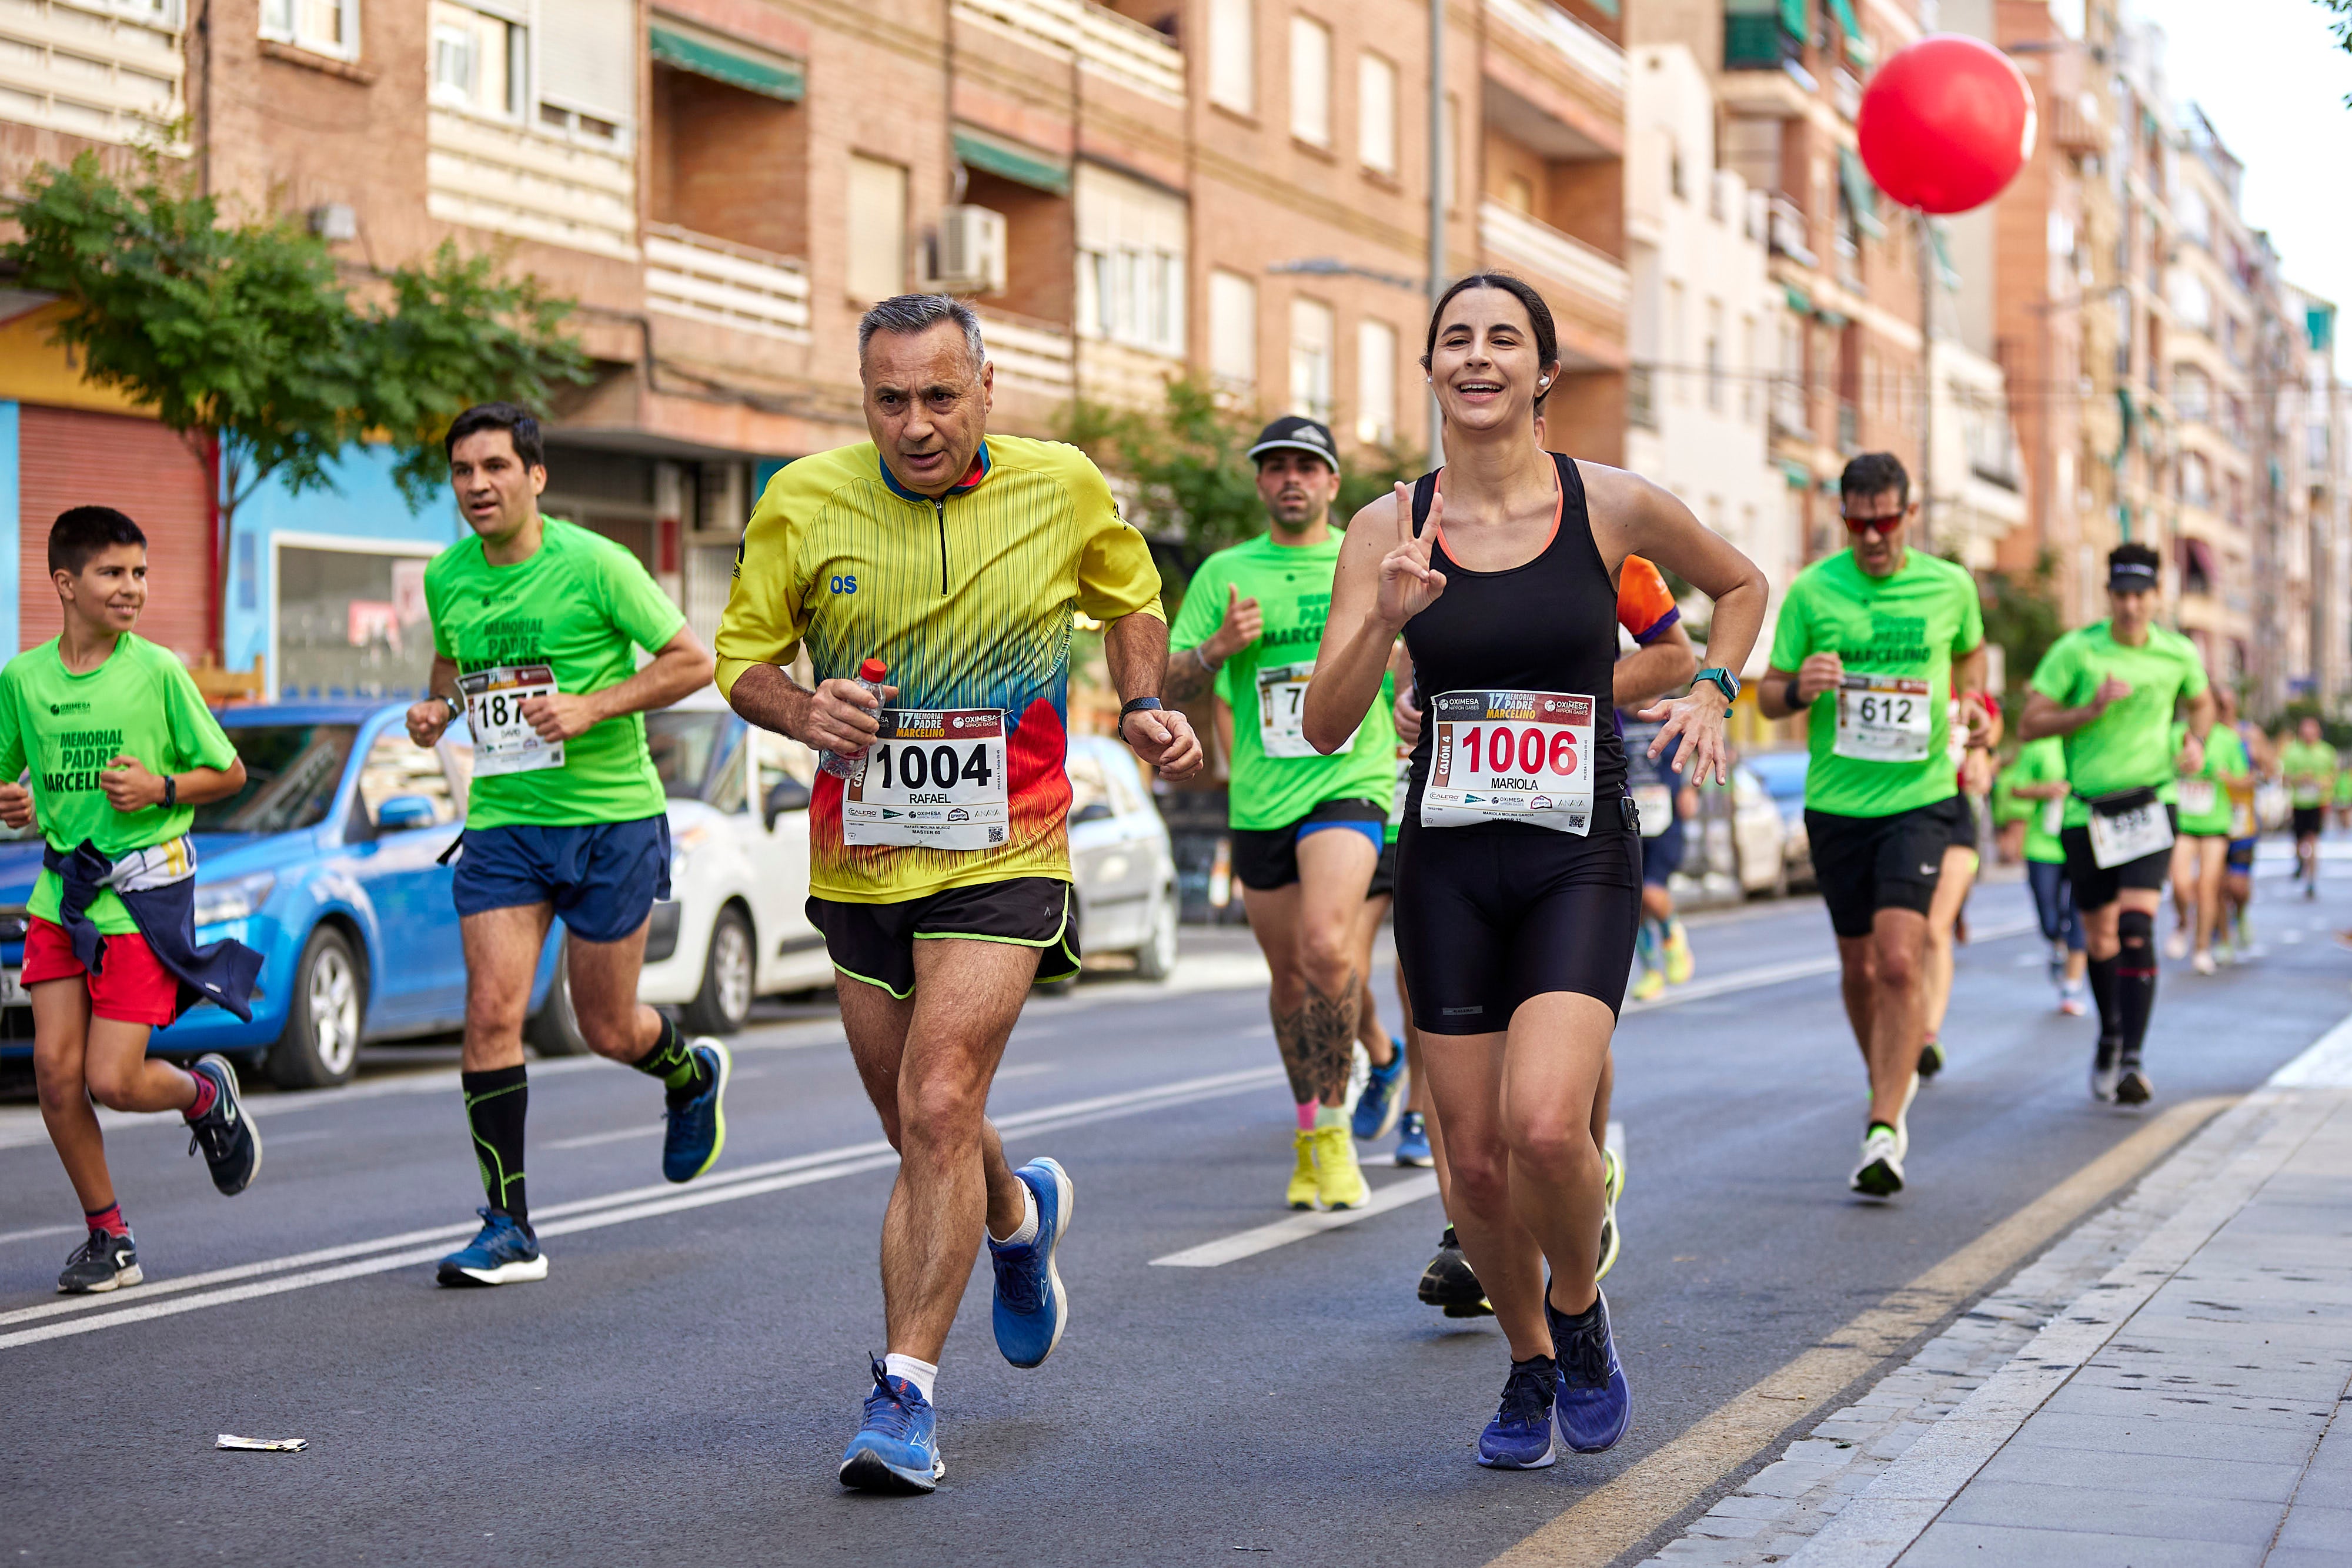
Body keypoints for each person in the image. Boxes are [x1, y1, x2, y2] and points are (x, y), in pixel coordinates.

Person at [716, 295, 1201, 1495]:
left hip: (1009, 844)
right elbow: (740, 658)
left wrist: (1140, 702)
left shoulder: (1062, 485)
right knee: (915, 1120)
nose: (917, 424)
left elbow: (1129, 597)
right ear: (863, 398)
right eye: (891, 400)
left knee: (937, 1098)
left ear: (987, 387)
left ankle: (903, 1396)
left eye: (940, 395)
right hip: (861, 857)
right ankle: (1016, 1215)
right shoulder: (803, 500)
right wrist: (798, 708)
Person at [1305, 272, 1766, 1470]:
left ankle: (1575, 1308)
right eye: (1454, 339)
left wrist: (1714, 689)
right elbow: (1321, 720)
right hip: (1448, 858)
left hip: (1578, 849)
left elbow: (1740, 585)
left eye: (1501, 338)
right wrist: (1381, 619)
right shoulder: (1383, 527)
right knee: (1468, 1156)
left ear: (1540, 373)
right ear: (1429, 370)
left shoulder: (1607, 506)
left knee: (1549, 1125)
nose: (1476, 356)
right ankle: (1523, 1360)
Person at [404, 403, 727, 1290]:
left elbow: (690, 660)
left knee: (606, 1024)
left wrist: (591, 705)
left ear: (535, 476)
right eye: (464, 470)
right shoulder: (448, 577)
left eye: (496, 467)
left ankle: (688, 1071)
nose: (478, 485)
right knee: (491, 1013)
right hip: (506, 821)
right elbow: (450, 668)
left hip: (612, 819)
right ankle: (508, 1224)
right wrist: (436, 711)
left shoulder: (594, 563)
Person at [1394, 554, 1692, 1315]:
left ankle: (1584, 1163)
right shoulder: (1430, 539)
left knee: (1552, 1038)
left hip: (1566, 823)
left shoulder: (1607, 542)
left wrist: (1563, 697)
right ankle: (1469, 1222)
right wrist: (1408, 698)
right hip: (1454, 823)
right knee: (1435, 1026)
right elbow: (1410, 657)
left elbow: (1674, 655)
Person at [0, 507, 263, 1294]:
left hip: (142, 896)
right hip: (61, 894)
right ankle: (109, 1236)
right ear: (66, 584)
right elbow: (10, 770)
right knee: (53, 1072)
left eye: (141, 573)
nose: (133, 588)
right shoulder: (24, 678)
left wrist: (162, 787)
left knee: (113, 1080)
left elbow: (229, 773)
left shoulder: (156, 672)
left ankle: (205, 1093)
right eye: (114, 573)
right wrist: (11, 802)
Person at [1166, 416, 1404, 1209]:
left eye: (1308, 465)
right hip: (1263, 794)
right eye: (1276, 467)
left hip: (1351, 776)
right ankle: (1308, 1125)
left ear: (1334, 482)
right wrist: (1214, 651)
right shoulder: (1226, 573)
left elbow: (1417, 646)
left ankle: (1335, 1133)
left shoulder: (1360, 557)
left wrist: (1411, 699)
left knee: (1329, 948)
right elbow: (1165, 684)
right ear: (1262, 482)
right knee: (1289, 978)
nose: (1291, 478)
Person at [1756, 453, 1989, 1198]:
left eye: (1885, 521)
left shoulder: (1949, 586)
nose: (1872, 537)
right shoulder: (1812, 590)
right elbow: (1765, 696)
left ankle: (1884, 1126)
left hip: (1920, 798)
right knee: (1857, 967)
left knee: (1899, 958)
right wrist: (1800, 687)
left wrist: (1980, 718)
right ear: (1844, 519)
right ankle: (1883, 1080)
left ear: (1907, 515)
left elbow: (1974, 661)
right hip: (1836, 805)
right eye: (1858, 523)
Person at [2020, 543, 2212, 1105]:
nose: (2131, 606)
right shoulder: (2076, 651)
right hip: (2088, 811)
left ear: (2157, 597)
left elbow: (2200, 704)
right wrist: (2090, 710)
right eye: (2121, 595)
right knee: (2101, 937)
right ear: (2110, 596)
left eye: (2141, 595)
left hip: (2151, 804)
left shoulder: (2177, 652)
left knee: (2135, 926)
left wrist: (2194, 742)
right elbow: (2031, 723)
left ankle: (2133, 1058)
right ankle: (2109, 1035)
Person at [1618, 561, 1703, 1004]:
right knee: (1631, 907)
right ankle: (1650, 971)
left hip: (1665, 819)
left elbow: (1687, 754)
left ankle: (1673, 935)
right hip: (1628, 819)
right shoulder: (1612, 716)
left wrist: (1691, 789)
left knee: (1652, 891)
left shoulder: (1668, 715)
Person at [1917, 692, 2001, 1078]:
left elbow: (1992, 721)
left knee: (1936, 929)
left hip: (1953, 814)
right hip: (1901, 806)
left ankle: (1927, 1036)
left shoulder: (1964, 679)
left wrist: (1982, 752)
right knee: (1904, 932)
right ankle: (1903, 1021)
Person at [2004, 737, 2087, 1013]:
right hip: (2043, 845)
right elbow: (2015, 788)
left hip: (2083, 842)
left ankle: (2071, 988)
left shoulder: (2090, 739)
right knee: (2050, 920)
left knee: (2080, 918)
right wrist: (2045, 790)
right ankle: (2057, 944)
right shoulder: (2039, 745)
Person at [2167, 703, 2244, 974]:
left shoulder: (2228, 739)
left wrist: (2223, 776)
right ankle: (2182, 922)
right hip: (2183, 824)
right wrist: (2182, 764)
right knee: (2179, 881)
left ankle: (2202, 948)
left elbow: (2243, 779)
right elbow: (2162, 770)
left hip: (2215, 825)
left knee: (2208, 887)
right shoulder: (2173, 733)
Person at [2279, 716, 2334, 901]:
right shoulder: (2292, 752)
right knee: (2298, 842)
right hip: (2298, 804)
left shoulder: (2327, 752)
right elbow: (2284, 778)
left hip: (2317, 804)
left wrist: (2319, 783)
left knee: (2313, 842)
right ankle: (2300, 862)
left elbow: (2333, 777)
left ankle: (2311, 881)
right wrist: (2299, 780)